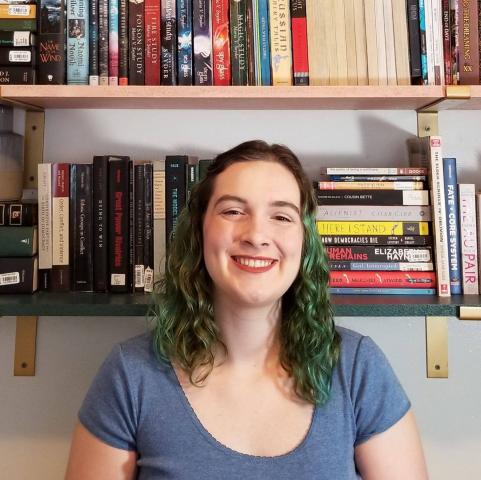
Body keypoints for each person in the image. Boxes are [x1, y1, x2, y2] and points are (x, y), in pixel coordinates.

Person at [65, 140, 428, 479]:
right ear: (199, 231)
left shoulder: (358, 367)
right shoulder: (130, 374)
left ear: (305, 242)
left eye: (282, 217)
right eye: (233, 211)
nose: (256, 235)